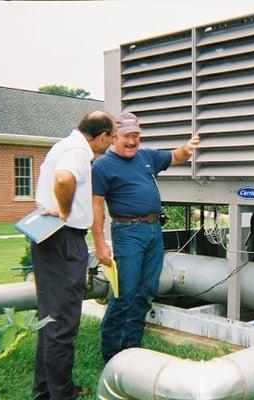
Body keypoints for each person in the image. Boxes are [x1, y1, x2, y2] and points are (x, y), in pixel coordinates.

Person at [91, 112, 199, 363]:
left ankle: (132, 351)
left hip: (153, 232)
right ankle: (111, 356)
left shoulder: (146, 156)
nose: (132, 142)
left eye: (136, 136)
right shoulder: (102, 166)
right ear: (115, 136)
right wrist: (99, 243)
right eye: (127, 136)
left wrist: (188, 147)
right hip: (128, 233)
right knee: (125, 295)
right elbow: (96, 206)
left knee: (146, 291)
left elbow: (176, 156)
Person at [32, 111, 116, 400]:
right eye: (112, 137)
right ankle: (62, 395)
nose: (112, 143)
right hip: (63, 239)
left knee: (50, 319)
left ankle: (46, 390)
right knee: (63, 323)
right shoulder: (79, 151)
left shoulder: (64, 144)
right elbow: (64, 178)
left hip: (49, 238)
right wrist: (66, 211)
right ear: (102, 136)